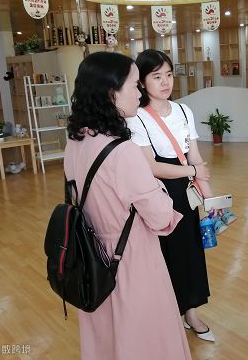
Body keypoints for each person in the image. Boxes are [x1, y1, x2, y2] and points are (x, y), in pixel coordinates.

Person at [65, 51, 192, 360]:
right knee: (144, 338)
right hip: (131, 257)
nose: (139, 93)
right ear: (112, 93)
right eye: (135, 85)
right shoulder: (124, 151)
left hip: (92, 256)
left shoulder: (76, 141)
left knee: (106, 337)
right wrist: (160, 189)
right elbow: (161, 217)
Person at [126, 49, 215, 342]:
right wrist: (192, 171)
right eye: (156, 76)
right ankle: (167, 317)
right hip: (159, 191)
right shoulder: (137, 117)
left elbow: (195, 155)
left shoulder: (184, 111)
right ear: (142, 82)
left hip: (187, 190)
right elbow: (151, 166)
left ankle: (191, 312)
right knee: (164, 256)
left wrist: (210, 198)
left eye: (168, 75)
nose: (165, 82)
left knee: (191, 251)